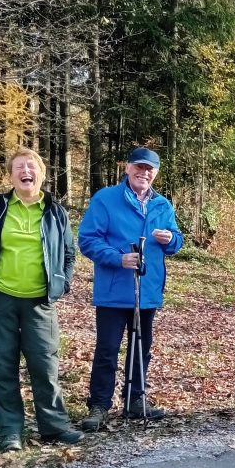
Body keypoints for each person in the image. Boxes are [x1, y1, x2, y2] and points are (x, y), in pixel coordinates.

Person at [0, 148, 82, 452]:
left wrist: (63, 283)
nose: (26, 171)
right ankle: (10, 432)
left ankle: (54, 427)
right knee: (1, 366)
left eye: (31, 166)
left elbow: (69, 254)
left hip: (39, 304)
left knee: (44, 365)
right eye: (19, 167)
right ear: (10, 176)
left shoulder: (55, 212)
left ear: (41, 174)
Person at [78, 147, 183, 431]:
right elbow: (87, 239)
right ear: (127, 168)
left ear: (155, 173)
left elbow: (177, 241)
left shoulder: (162, 205)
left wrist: (171, 238)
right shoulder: (106, 199)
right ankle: (99, 405)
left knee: (142, 348)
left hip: (147, 291)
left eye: (149, 169)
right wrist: (118, 258)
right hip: (114, 291)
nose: (144, 172)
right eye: (139, 166)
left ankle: (136, 399)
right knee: (107, 349)